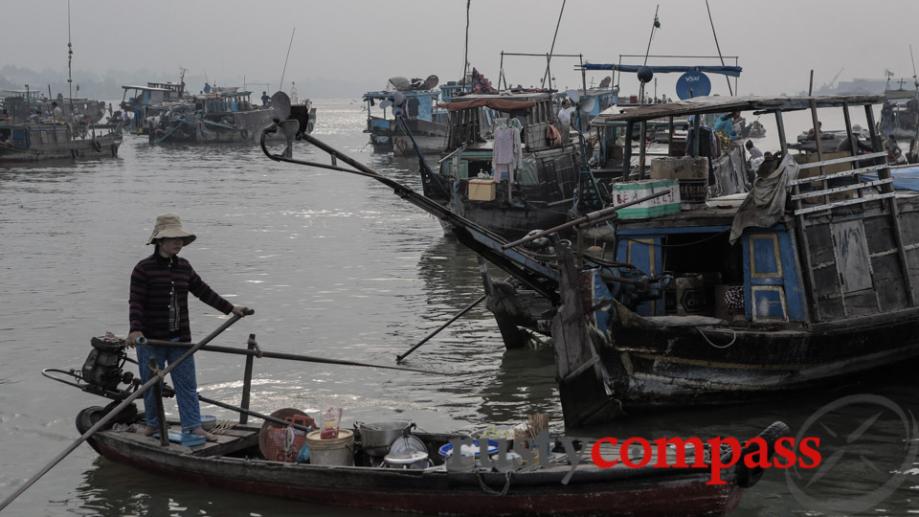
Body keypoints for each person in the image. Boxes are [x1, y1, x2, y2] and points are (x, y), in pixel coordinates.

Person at [128, 214, 250, 441]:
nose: (178, 243)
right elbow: (136, 302)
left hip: (179, 339)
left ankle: (193, 426)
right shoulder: (143, 269)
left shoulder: (184, 267)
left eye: (181, 239)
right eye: (173, 239)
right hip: (152, 341)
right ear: (160, 241)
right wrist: (135, 330)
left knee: (187, 385)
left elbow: (203, 291)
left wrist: (230, 308)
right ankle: (153, 424)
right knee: (152, 385)